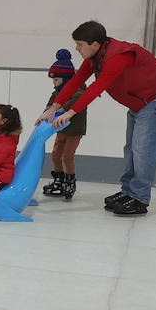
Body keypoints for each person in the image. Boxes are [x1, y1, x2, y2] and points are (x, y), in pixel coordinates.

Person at [38, 20, 156, 216]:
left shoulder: (117, 57)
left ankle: (139, 199)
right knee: (131, 149)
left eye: (80, 45)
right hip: (138, 102)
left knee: (143, 149)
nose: (77, 49)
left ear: (94, 44)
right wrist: (53, 108)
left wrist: (70, 112)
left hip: (155, 99)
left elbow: (96, 87)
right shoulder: (96, 57)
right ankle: (128, 192)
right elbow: (76, 81)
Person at [41, 48, 88, 201]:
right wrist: (47, 111)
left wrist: (61, 108)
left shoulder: (79, 89)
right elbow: (52, 101)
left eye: (56, 80)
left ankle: (70, 181)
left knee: (67, 156)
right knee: (55, 154)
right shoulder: (58, 91)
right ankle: (59, 180)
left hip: (75, 130)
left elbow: (76, 100)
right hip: (61, 129)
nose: (54, 84)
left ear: (66, 78)